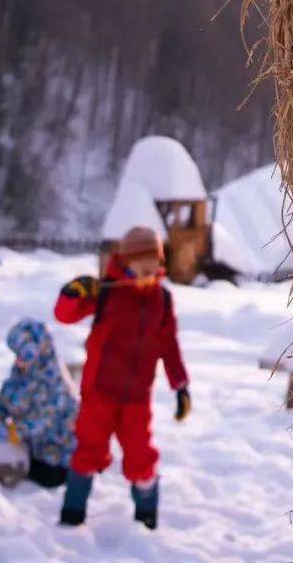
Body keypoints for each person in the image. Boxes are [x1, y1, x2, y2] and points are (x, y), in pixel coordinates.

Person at [54, 225, 190, 529]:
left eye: (154, 263)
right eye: (142, 264)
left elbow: (169, 345)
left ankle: (146, 519)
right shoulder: (105, 293)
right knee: (88, 450)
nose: (149, 269)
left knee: (142, 457)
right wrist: (71, 293)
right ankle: (72, 514)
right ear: (126, 263)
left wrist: (180, 385)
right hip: (99, 393)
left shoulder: (162, 300)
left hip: (137, 398)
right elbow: (64, 315)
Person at [0, 317, 78, 487]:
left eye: (22, 356)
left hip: (55, 464)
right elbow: (8, 393)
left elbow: (40, 421)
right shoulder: (24, 371)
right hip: (30, 451)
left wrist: (11, 432)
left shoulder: (53, 384)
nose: (17, 361)